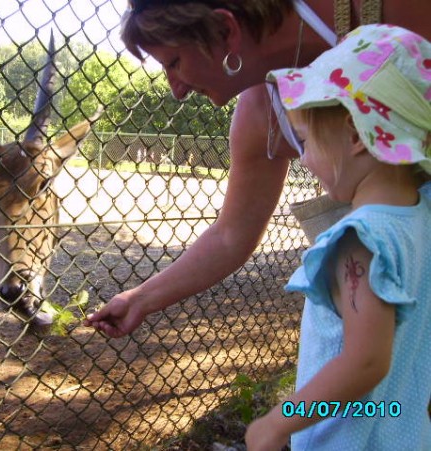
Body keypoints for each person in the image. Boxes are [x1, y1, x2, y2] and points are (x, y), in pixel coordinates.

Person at [85, 0, 431, 338]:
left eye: (174, 62)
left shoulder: (391, 11)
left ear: (225, 29)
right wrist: (139, 299)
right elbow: (230, 235)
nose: (176, 90)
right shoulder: (261, 114)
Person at [244, 24, 431, 450]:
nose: (304, 157)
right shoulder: (420, 215)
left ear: (354, 134)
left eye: (306, 140)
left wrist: (278, 420)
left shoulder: (361, 238)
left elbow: (365, 361)